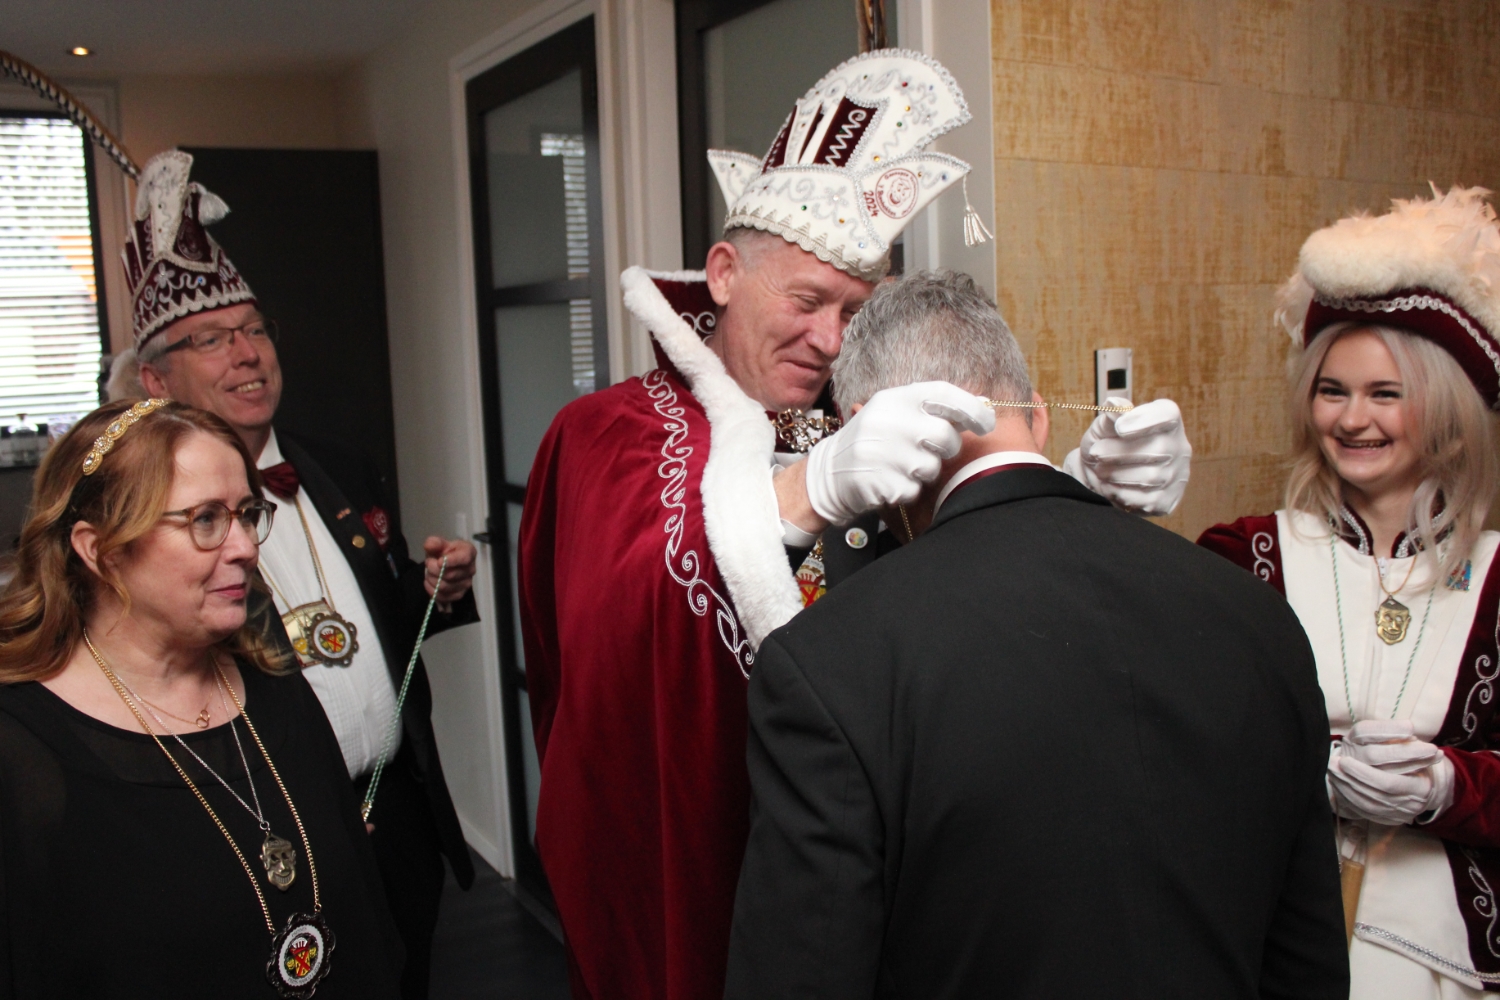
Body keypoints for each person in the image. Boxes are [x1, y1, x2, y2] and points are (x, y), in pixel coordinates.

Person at [519, 50, 1193, 1000]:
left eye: (854, 311)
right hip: (702, 866)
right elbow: (618, 643)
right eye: (805, 302)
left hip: (875, 870)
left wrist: (1081, 487)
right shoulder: (605, 434)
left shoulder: (864, 416)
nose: (831, 342)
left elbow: (965, 591)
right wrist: (805, 495)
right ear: (724, 274)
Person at [723, 271, 1348, 999]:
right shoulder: (1259, 614)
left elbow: (804, 974)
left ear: (866, 431)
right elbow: (1306, 960)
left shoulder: (831, 662)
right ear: (1042, 419)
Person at [124, 149, 479, 999]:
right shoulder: (148, 530)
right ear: (155, 378)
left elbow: (371, 617)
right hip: (279, 840)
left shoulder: (341, 466)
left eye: (254, 330)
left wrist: (434, 590)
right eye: (212, 339)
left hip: (398, 816)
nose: (247, 355)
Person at [1199, 185, 1500, 998]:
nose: (1351, 419)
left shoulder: (1499, 577)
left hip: (1448, 968)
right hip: (1277, 949)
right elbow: (1183, 742)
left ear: (1446, 408)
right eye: (1332, 390)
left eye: (1385, 394)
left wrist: (1448, 786)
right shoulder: (1244, 555)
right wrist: (1310, 767)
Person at [0, 398, 404, 998]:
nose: (245, 546)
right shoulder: (22, 751)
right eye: (206, 519)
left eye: (247, 514)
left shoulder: (275, 688)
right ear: (100, 548)